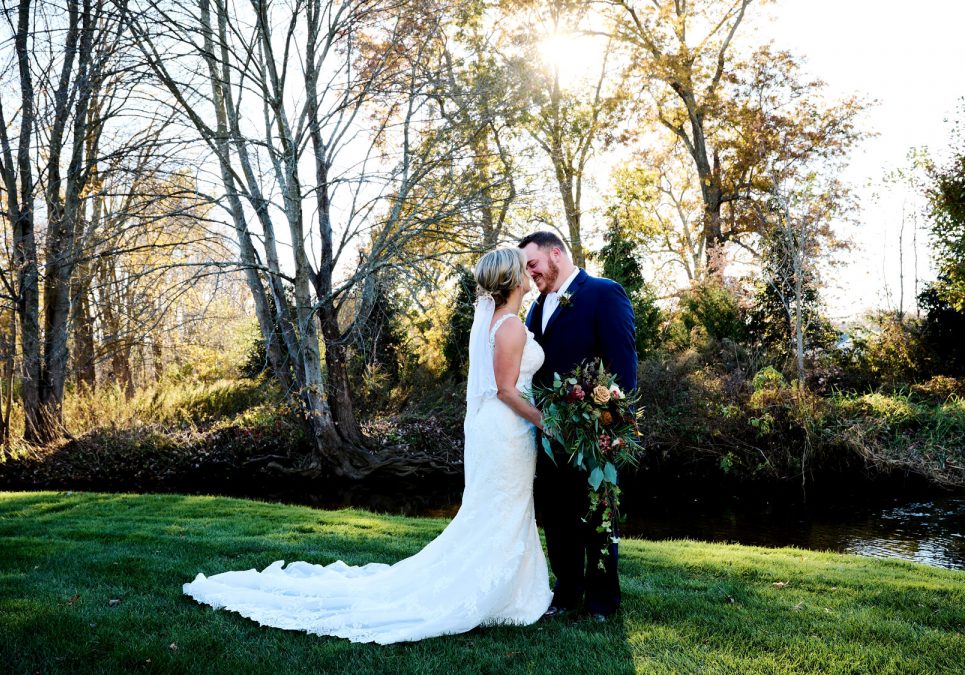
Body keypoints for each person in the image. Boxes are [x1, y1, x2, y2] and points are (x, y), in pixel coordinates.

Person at [183, 247, 552, 644]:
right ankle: (496, 594)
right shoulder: (509, 326)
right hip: (507, 429)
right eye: (523, 269)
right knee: (501, 509)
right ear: (512, 279)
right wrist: (545, 421)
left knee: (500, 509)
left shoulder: (497, 322)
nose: (530, 274)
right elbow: (506, 391)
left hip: (500, 431)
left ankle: (505, 589)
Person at [519, 231, 637, 621]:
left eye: (532, 264)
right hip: (550, 434)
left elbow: (624, 364)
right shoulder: (536, 308)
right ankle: (566, 592)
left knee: (598, 516)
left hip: (594, 430)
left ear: (556, 253)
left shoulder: (605, 293)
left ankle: (602, 601)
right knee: (556, 516)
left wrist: (612, 424)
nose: (530, 273)